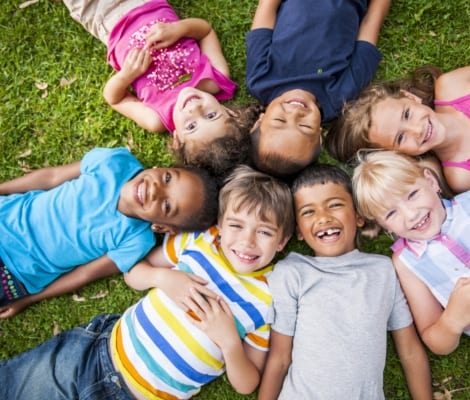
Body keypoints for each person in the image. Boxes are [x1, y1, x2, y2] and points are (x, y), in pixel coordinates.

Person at [0, 164, 294, 400]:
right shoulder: (199, 243)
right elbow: (132, 273)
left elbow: (247, 384)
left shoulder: (266, 300)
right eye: (236, 225)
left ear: (282, 241)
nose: (247, 241)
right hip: (98, 351)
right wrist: (163, 277)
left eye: (265, 233)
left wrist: (229, 342)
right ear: (220, 223)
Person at [257, 164, 432, 400]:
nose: (323, 217)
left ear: (358, 216)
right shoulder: (292, 272)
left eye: (335, 205)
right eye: (308, 212)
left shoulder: (383, 271)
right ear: (298, 231)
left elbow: (409, 350)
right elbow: (279, 358)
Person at [0, 146, 219, 319]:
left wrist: (29, 300)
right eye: (168, 178)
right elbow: (52, 177)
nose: (155, 189)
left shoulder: (136, 241)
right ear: (160, 168)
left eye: (167, 206)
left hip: (16, 274)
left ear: (161, 227)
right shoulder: (115, 162)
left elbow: (83, 274)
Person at [62, 0, 260, 177]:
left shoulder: (156, 118)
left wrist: (127, 75)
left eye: (191, 126)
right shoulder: (215, 79)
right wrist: (179, 29)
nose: (195, 109)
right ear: (230, 112)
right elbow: (206, 31)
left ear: (177, 140)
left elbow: (115, 98)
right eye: (211, 116)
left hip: (107, 19)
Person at [352, 150, 470, 355]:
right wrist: (453, 319)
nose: (411, 215)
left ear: (431, 181)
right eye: (391, 213)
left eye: (412, 195)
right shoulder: (406, 263)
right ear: (385, 227)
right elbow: (436, 341)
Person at [245, 0, 390, 178]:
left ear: (259, 122)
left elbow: (265, 16)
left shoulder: (260, 80)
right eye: (305, 126)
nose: (295, 113)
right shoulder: (340, 97)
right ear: (319, 137)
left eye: (279, 121)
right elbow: (369, 31)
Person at [328, 59, 470, 193]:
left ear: (410, 97)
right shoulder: (462, 176)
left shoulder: (452, 85)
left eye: (406, 114)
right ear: (398, 155)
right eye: (400, 137)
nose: (417, 130)